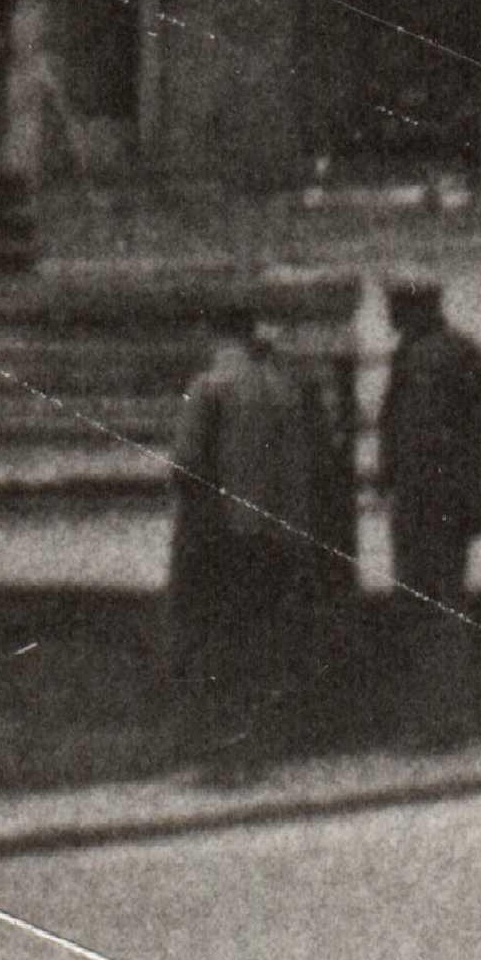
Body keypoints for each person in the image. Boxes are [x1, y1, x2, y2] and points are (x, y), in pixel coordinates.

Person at [165, 303, 327, 736]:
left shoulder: (208, 387)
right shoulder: (286, 385)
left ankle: (225, 732)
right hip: (284, 530)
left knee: (223, 634)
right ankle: (271, 727)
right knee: (270, 630)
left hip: (229, 531)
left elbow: (186, 464)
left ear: (214, 334)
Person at [377, 279, 481, 612]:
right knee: (448, 585)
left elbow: (411, 429)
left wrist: (391, 474)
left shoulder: (416, 357)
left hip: (423, 493)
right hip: (452, 492)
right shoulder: (462, 351)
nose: (388, 310)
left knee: (417, 589)